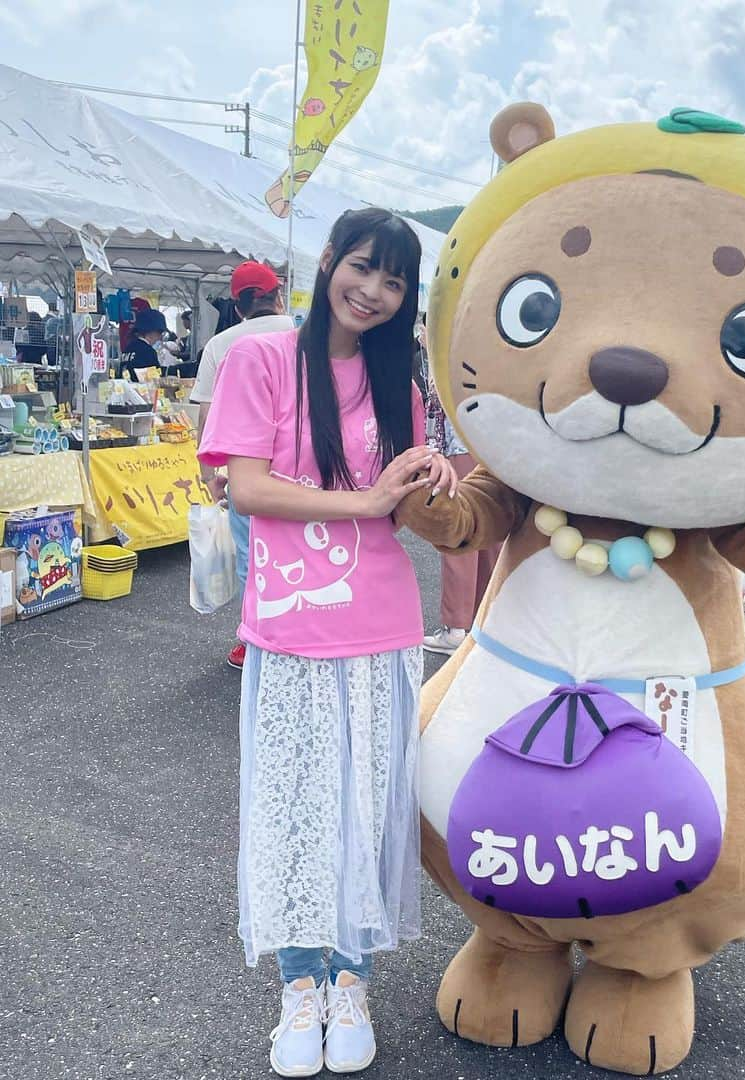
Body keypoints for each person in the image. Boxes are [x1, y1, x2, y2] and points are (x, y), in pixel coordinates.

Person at [199, 208, 457, 1078]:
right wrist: (368, 500)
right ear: (328, 262)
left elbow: (411, 502)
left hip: (382, 628)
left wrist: (438, 474)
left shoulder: (403, 388)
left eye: (395, 281)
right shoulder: (260, 359)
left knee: (368, 812)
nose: (374, 292)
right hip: (289, 632)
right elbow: (248, 488)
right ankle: (299, 986)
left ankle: (353, 981)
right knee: (293, 810)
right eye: (363, 268)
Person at [192, 262, 296, 670]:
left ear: (238, 307)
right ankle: (300, 633)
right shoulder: (303, 330)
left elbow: (207, 413)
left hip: (245, 473)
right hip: (304, 471)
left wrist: (210, 476)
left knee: (253, 560)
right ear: (278, 295)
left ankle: (256, 641)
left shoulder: (221, 345)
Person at [422, 318, 500, 654]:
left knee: (457, 535)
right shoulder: (494, 345)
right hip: (494, 451)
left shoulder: (452, 353)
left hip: (459, 447)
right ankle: (488, 619)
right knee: (491, 534)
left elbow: (441, 400)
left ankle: (456, 626)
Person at [118, 308, 167, 380]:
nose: (160, 337)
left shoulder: (128, 348)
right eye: (160, 332)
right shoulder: (148, 351)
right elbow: (155, 380)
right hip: (141, 390)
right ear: (150, 330)